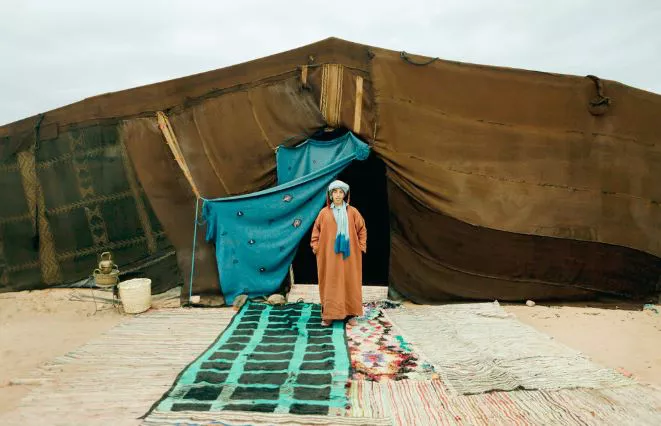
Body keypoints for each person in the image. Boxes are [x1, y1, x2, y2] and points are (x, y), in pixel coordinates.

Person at [310, 180, 367, 327]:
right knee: (330, 283)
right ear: (330, 194)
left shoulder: (352, 212)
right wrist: (316, 247)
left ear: (345, 194)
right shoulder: (324, 213)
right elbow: (316, 230)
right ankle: (329, 315)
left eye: (341, 192)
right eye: (335, 192)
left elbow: (362, 229)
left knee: (350, 282)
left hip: (350, 256)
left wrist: (360, 247)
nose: (337, 195)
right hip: (329, 257)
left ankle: (351, 314)